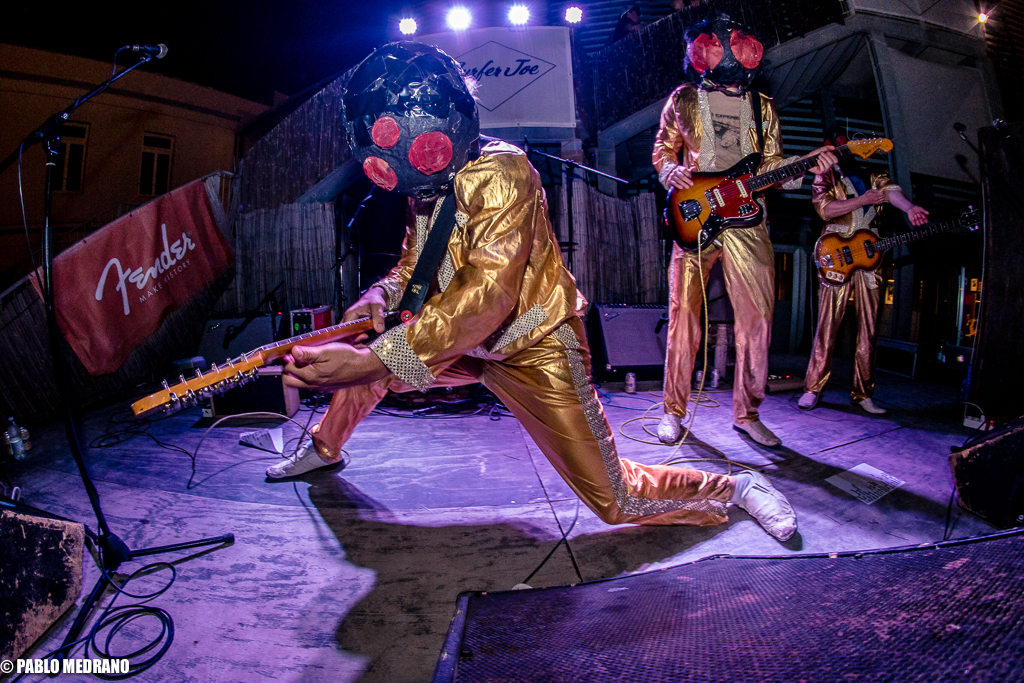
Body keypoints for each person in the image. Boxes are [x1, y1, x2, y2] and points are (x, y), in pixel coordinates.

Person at [266, 41, 798, 541]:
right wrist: (380, 297)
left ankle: (735, 487)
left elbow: (487, 295)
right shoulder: (427, 184)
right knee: (377, 358)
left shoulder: (504, 171)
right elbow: (414, 266)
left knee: (615, 499)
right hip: (463, 341)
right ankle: (325, 447)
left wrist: (371, 361)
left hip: (532, 344)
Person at [652, 14, 837, 448]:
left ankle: (748, 413)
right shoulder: (683, 98)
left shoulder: (763, 106)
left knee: (757, 319)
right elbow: (663, 146)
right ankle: (673, 410)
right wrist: (669, 170)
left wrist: (805, 166)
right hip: (695, 213)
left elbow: (771, 165)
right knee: (684, 316)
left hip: (749, 221)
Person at [797, 129, 929, 414]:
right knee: (827, 325)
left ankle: (863, 392)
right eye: (839, 145)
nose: (845, 149)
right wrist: (863, 200)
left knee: (868, 329)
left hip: (871, 258)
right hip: (836, 255)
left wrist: (909, 208)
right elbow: (825, 210)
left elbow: (891, 191)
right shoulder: (825, 176)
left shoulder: (873, 174)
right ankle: (812, 388)